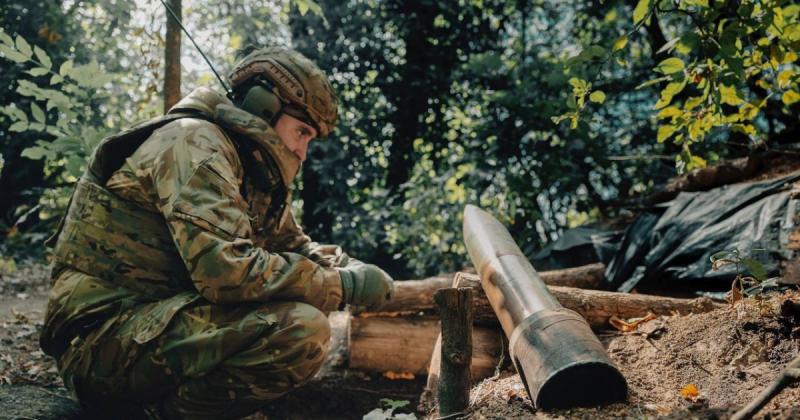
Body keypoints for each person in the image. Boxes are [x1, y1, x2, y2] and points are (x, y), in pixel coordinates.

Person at [39, 46, 395, 419]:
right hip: (101, 343)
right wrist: (343, 286)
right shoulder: (195, 144)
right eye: (301, 131)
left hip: (149, 327)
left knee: (298, 314)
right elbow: (227, 274)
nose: (302, 152)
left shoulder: (248, 166)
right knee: (300, 330)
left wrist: (350, 267)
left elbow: (291, 244)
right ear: (263, 107)